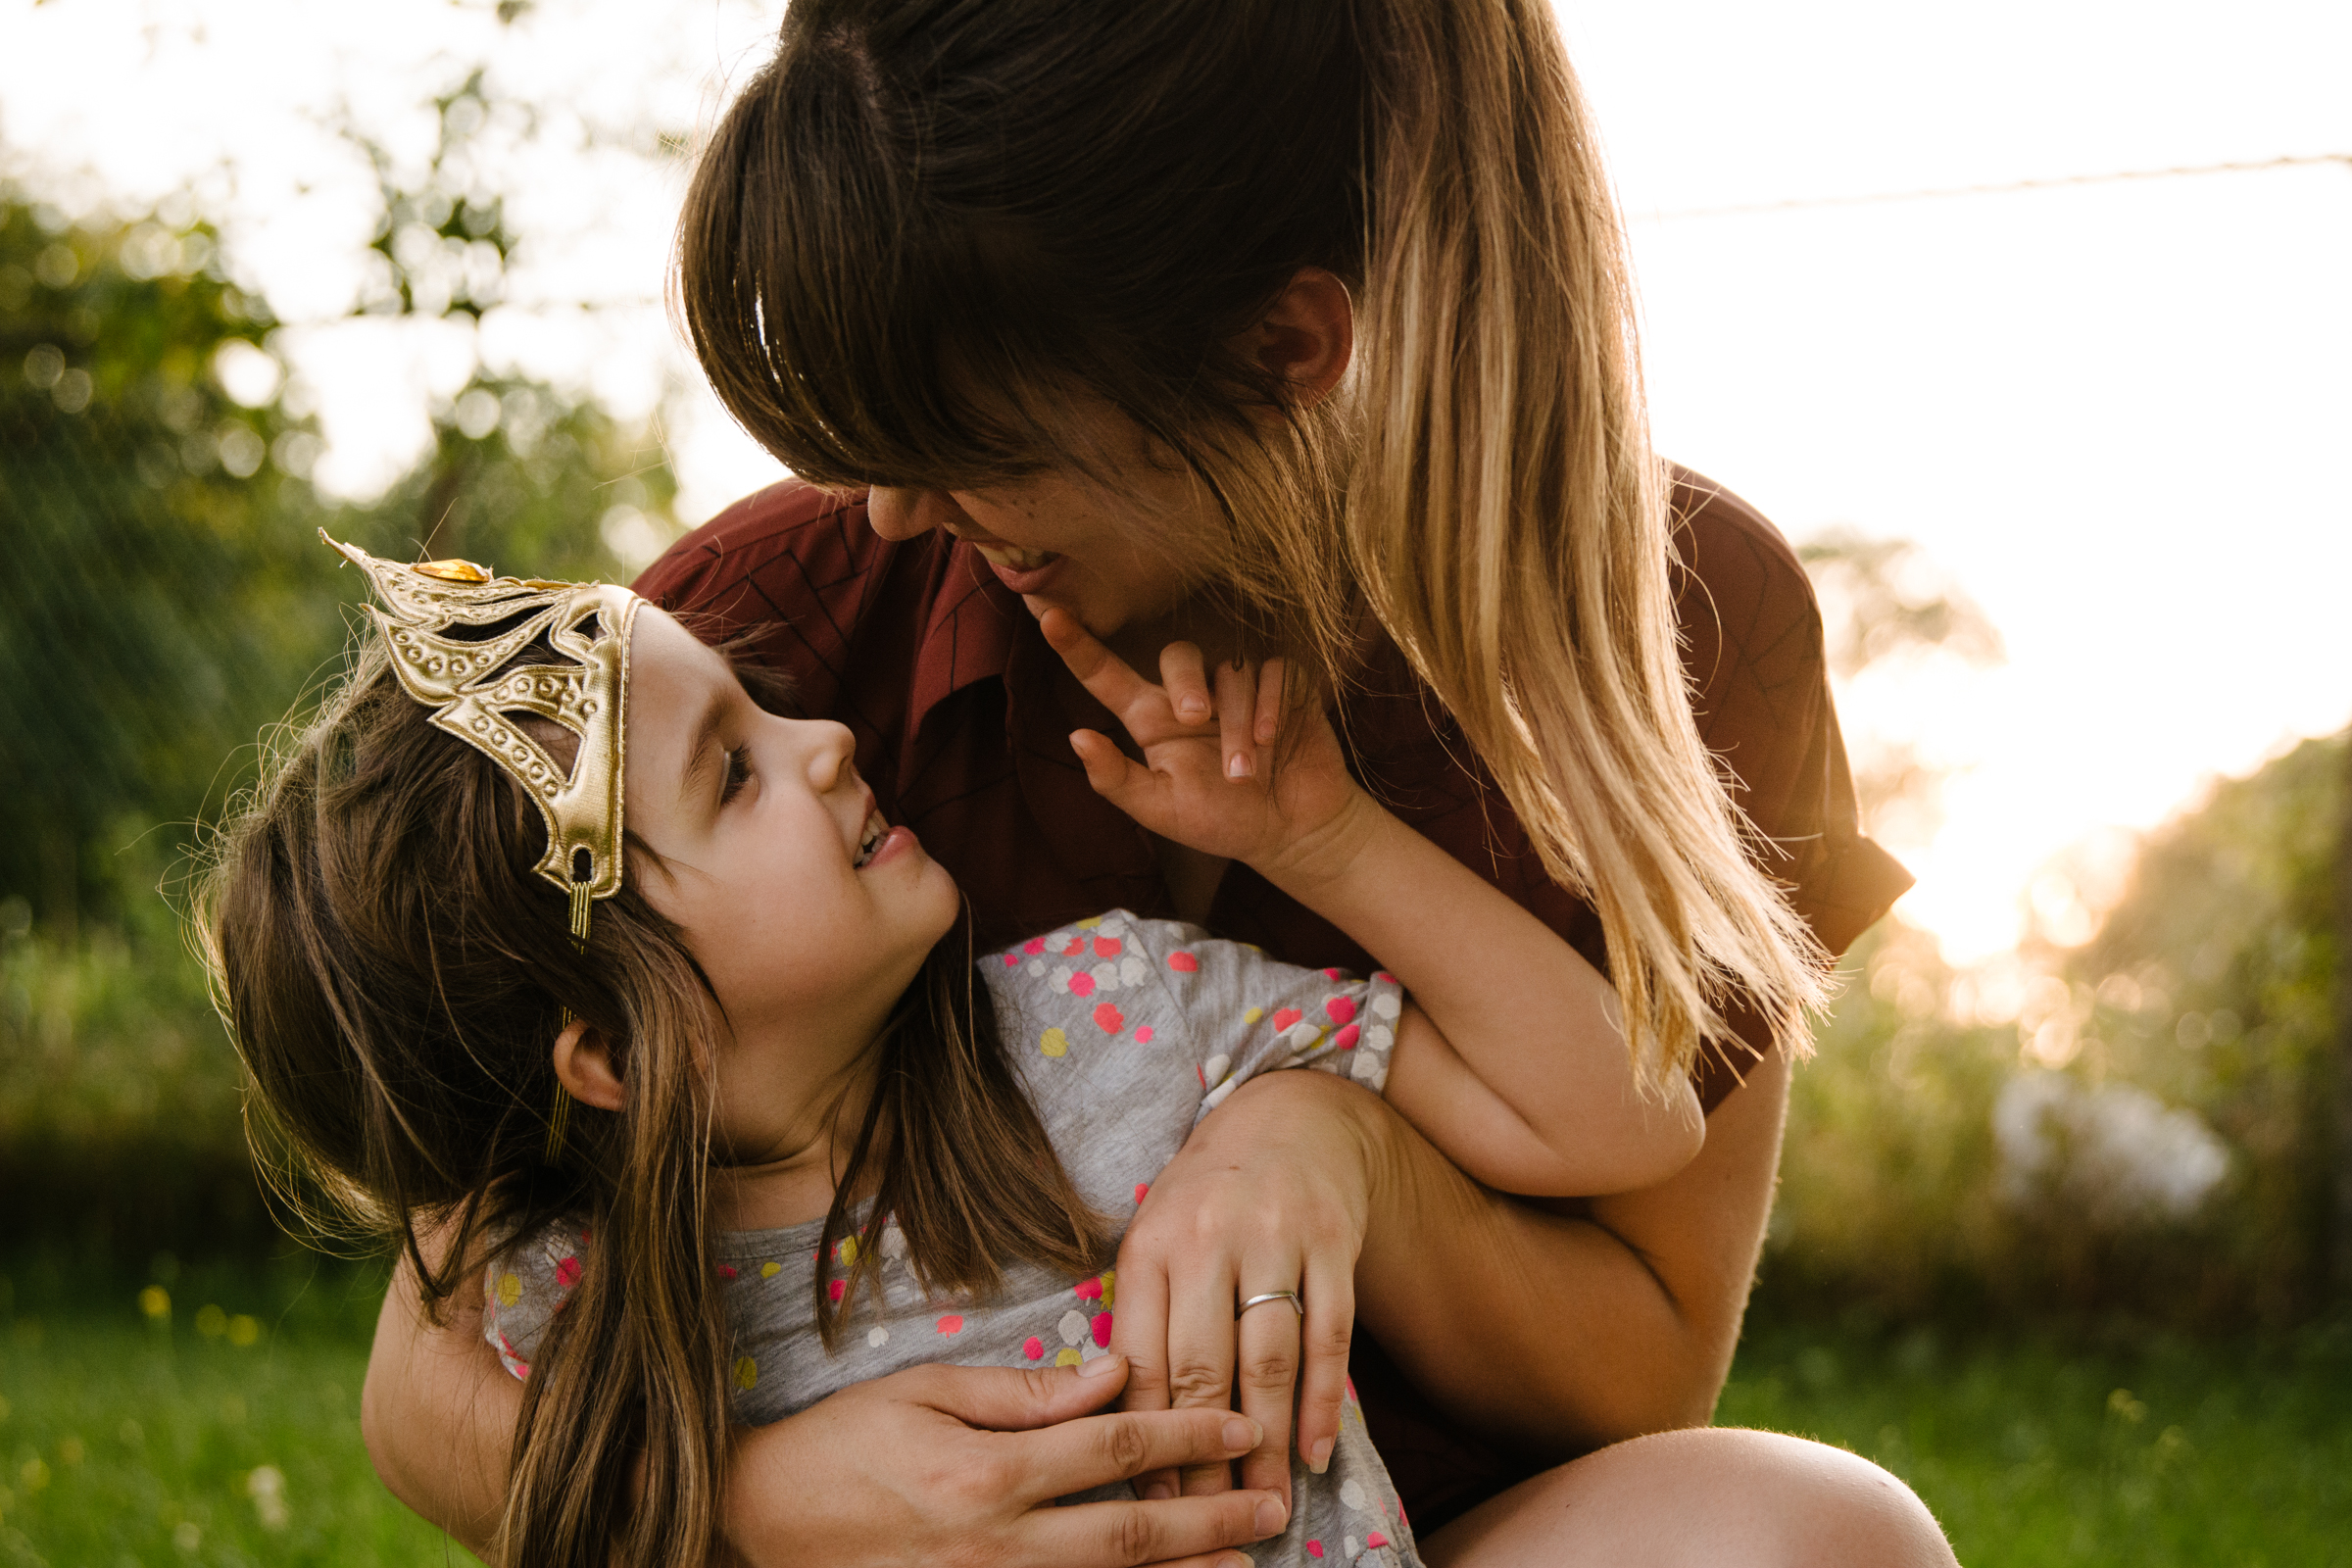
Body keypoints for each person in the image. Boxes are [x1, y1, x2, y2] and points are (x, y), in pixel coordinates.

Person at [362, 2, 1946, 1564]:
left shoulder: (1683, 618)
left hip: (1371, 1529)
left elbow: (1647, 1357)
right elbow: (427, 1383)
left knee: (1820, 1539)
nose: (897, 511)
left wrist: (1333, 1147)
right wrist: (774, 1503)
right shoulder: (759, 623)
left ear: (1285, 347)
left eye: (970, 433)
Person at [211, 536, 1715, 1566]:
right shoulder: (565, 1304)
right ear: (601, 1049)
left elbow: (1625, 1121)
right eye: (736, 772)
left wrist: (1326, 841)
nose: (826, 742)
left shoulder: (1119, 1012)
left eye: (767, 709)